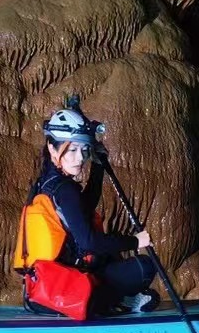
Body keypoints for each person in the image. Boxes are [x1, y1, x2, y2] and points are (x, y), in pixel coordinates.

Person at [15, 107, 159, 315]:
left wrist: (98, 167)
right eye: (72, 150)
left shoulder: (45, 183)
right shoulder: (65, 189)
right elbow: (89, 242)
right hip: (66, 291)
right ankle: (114, 301)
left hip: (39, 290)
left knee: (109, 258)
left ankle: (112, 299)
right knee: (144, 267)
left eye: (84, 150)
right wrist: (135, 241)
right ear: (52, 148)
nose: (80, 158)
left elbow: (81, 209)